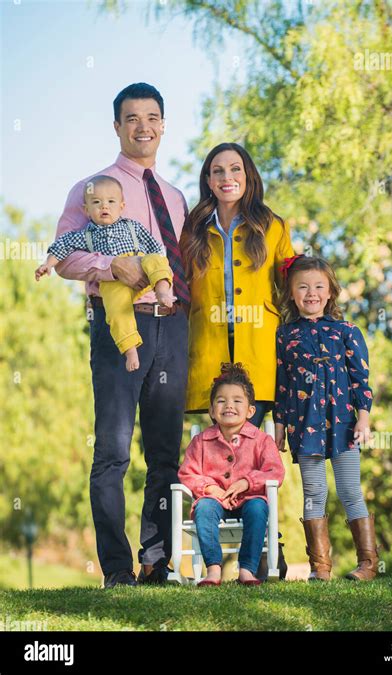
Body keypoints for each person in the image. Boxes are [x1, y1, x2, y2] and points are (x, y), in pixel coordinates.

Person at [54, 82, 189, 588]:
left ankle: (157, 561)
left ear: (163, 125)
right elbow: (65, 255)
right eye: (132, 118)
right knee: (112, 449)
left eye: (152, 117)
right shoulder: (92, 188)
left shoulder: (175, 196)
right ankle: (116, 569)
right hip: (117, 327)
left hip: (172, 326)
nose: (143, 127)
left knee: (164, 453)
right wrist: (112, 265)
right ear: (117, 126)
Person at [274, 254, 380, 582]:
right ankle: (320, 567)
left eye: (319, 286)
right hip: (304, 426)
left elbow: (361, 380)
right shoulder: (284, 336)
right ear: (291, 293)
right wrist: (279, 427)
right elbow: (281, 385)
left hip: (344, 424)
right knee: (314, 491)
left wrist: (363, 419)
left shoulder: (347, 331)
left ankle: (368, 563)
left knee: (350, 490)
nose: (311, 293)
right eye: (302, 287)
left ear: (331, 291)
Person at [180, 142, 295, 426]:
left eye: (235, 169)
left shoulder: (273, 227)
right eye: (217, 171)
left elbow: (293, 285)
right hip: (208, 348)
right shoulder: (193, 230)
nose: (226, 178)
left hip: (260, 349)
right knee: (218, 443)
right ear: (208, 181)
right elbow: (178, 288)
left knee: (248, 440)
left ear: (249, 176)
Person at [35, 175, 175, 371]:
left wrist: (157, 268)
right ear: (86, 210)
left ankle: (163, 290)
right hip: (113, 282)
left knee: (156, 259)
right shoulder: (85, 235)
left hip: (143, 269)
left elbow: (156, 247)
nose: (104, 207)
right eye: (96, 203)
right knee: (116, 311)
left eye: (111, 202)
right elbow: (62, 245)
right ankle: (130, 348)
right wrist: (47, 264)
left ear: (121, 206)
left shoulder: (132, 226)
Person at [178, 363, 285, 586]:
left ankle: (246, 570)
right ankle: (214, 570)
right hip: (215, 501)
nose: (229, 406)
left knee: (258, 508)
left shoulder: (261, 440)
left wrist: (247, 482)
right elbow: (187, 473)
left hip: (249, 500)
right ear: (211, 410)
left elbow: (275, 472)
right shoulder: (201, 441)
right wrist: (210, 488)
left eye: (237, 401)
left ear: (250, 411)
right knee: (204, 507)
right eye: (221, 401)